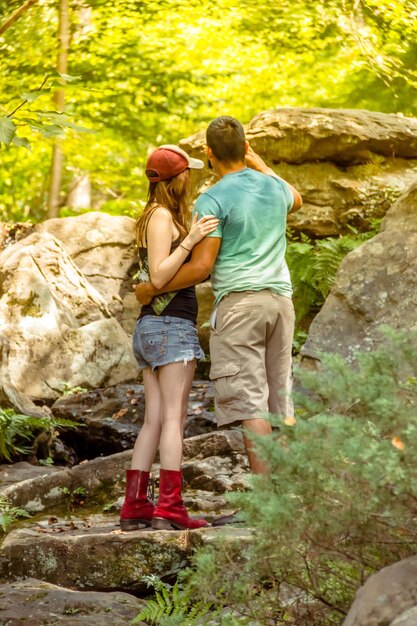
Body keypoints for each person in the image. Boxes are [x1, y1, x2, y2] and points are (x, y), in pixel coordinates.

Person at [134, 116, 302, 479]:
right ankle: (289, 506)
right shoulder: (274, 188)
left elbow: (201, 267)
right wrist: (258, 163)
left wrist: (153, 288)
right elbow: (297, 199)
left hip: (241, 306)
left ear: (209, 153)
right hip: (281, 303)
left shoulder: (212, 199)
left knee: (250, 403)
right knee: (279, 401)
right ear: (245, 147)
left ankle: (264, 505)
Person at [120, 144, 219, 531]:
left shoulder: (153, 215)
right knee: (174, 422)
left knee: (153, 423)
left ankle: (135, 507)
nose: (189, 178)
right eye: (186, 174)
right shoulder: (161, 217)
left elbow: (149, 280)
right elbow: (159, 278)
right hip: (169, 328)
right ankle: (170, 508)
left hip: (152, 329)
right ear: (177, 178)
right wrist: (191, 239)